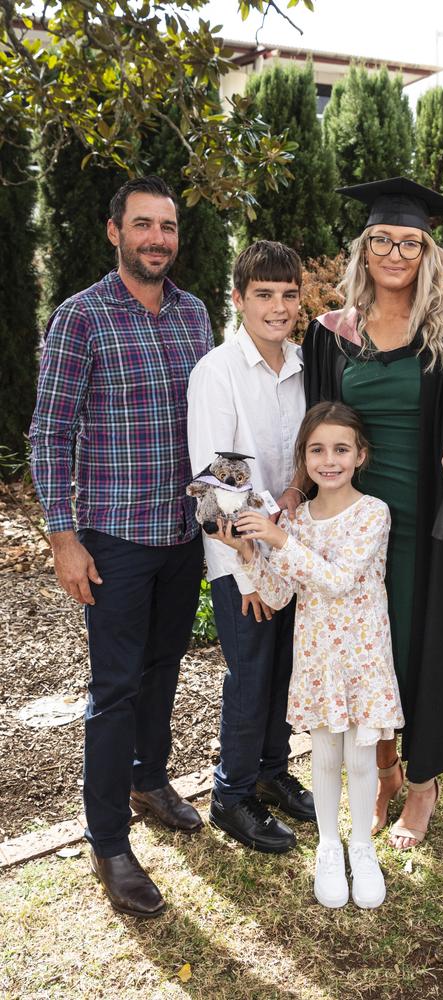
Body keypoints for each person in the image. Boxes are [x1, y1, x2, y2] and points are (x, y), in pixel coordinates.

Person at [299, 177, 443, 849]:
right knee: (367, 653)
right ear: (364, 249)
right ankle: (383, 770)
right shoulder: (332, 336)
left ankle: (423, 783)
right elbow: (318, 427)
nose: (394, 252)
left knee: (420, 649)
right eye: (381, 239)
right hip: (354, 521)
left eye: (408, 242)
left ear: (427, 252)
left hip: (424, 521)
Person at [29, 175, 213, 918]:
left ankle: (149, 778)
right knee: (114, 689)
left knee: (165, 666)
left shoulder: (196, 314)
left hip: (182, 532)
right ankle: (108, 840)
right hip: (113, 536)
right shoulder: (80, 318)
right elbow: (50, 431)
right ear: (116, 233)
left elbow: (214, 418)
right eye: (143, 226)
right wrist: (62, 536)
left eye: (167, 228)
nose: (157, 240)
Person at [217, 402, 404, 908]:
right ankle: (328, 846)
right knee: (324, 756)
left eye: (341, 449)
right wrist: (249, 552)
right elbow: (278, 594)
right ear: (304, 456)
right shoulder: (296, 522)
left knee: (361, 760)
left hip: (363, 658)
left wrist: (279, 536)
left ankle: (361, 848)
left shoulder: (372, 513)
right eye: (317, 449)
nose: (329, 459)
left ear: (360, 455)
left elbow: (339, 579)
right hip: (318, 659)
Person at [187, 241, 316, 855]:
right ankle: (231, 795)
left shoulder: (301, 365)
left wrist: (293, 491)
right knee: (250, 674)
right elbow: (217, 483)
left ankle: (271, 770)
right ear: (238, 300)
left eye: (289, 294)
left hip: (288, 548)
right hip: (239, 558)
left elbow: (300, 459)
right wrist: (249, 574)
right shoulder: (219, 371)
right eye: (264, 294)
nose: (278, 306)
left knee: (283, 671)